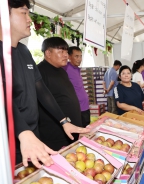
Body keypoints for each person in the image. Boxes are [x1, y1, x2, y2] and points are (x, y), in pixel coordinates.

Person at [0, 0, 89, 168]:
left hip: (33, 137)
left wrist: (64, 121)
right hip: (11, 140)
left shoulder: (24, 52)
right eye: (23, 12)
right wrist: (23, 132)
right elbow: (4, 98)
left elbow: (40, 89)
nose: (29, 19)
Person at [38, 37, 83, 150]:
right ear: (48, 53)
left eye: (66, 52)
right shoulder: (39, 72)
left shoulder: (63, 71)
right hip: (55, 133)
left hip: (71, 130)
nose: (66, 55)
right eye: (61, 52)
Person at [63, 46, 90, 127]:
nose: (79, 59)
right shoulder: (65, 67)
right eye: (76, 56)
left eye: (80, 56)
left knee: (87, 129)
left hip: (85, 106)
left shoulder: (77, 69)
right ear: (69, 56)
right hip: (77, 108)